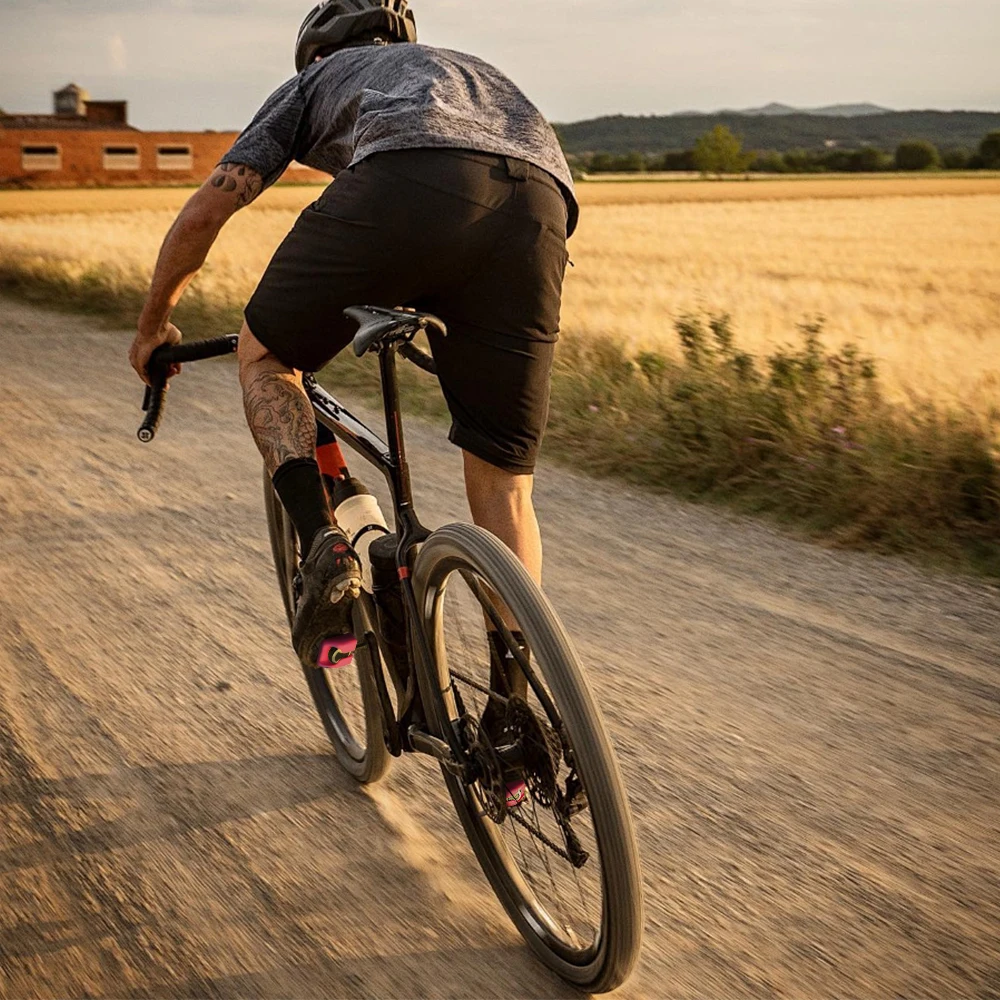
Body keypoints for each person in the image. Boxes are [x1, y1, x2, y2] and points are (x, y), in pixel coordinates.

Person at [128, 0, 578, 678]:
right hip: (541, 205)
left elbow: (207, 210)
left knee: (267, 354)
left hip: (410, 178)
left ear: (317, 50)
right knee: (505, 486)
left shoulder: (316, 79)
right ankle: (514, 714)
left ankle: (324, 547)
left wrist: (152, 326)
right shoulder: (464, 70)